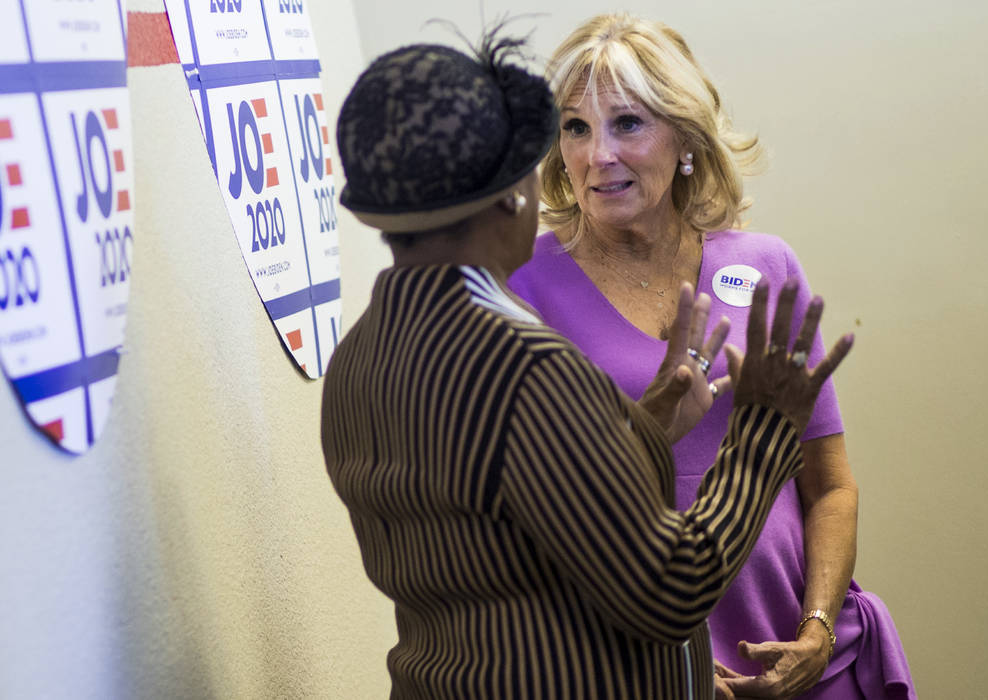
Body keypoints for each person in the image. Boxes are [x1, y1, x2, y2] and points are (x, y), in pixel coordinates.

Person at [321, 28, 852, 700]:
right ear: (513, 195)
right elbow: (671, 589)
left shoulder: (356, 362)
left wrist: (640, 428)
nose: (591, 158)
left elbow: (514, 530)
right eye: (568, 132)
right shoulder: (529, 367)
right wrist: (764, 433)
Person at [507, 13, 914, 699]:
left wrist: (816, 632)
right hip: (639, 670)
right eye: (575, 127)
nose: (597, 154)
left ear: (686, 138)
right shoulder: (523, 285)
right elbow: (527, 524)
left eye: (627, 123)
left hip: (810, 660)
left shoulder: (765, 265)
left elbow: (830, 485)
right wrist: (668, 666)